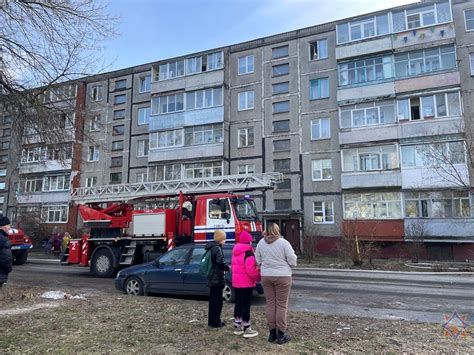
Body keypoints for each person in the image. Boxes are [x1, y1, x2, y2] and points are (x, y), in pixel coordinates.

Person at [255, 223, 297, 344]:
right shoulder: (283, 243)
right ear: (277, 230)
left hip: (266, 276)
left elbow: (257, 259)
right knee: (281, 305)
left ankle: (272, 333)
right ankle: (281, 334)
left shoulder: (261, 243)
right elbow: (292, 259)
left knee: (270, 304)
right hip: (283, 276)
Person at [231, 231, 261, 338]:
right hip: (246, 283)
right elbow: (251, 270)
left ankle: (237, 325)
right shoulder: (248, 253)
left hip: (236, 282)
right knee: (246, 304)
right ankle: (247, 327)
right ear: (249, 241)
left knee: (238, 303)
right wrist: (258, 277)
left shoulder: (235, 252)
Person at [205, 229, 230, 328]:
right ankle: (216, 322)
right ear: (220, 239)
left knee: (212, 301)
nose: (225, 241)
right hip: (217, 278)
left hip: (212, 278)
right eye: (224, 239)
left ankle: (211, 321)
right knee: (218, 302)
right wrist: (227, 267)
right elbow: (220, 262)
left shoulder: (211, 248)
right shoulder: (217, 249)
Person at [0, 216, 13, 289]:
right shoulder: (3, 239)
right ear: (1, 226)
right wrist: (9, 269)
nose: (9, 228)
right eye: (8, 225)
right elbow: (6, 259)